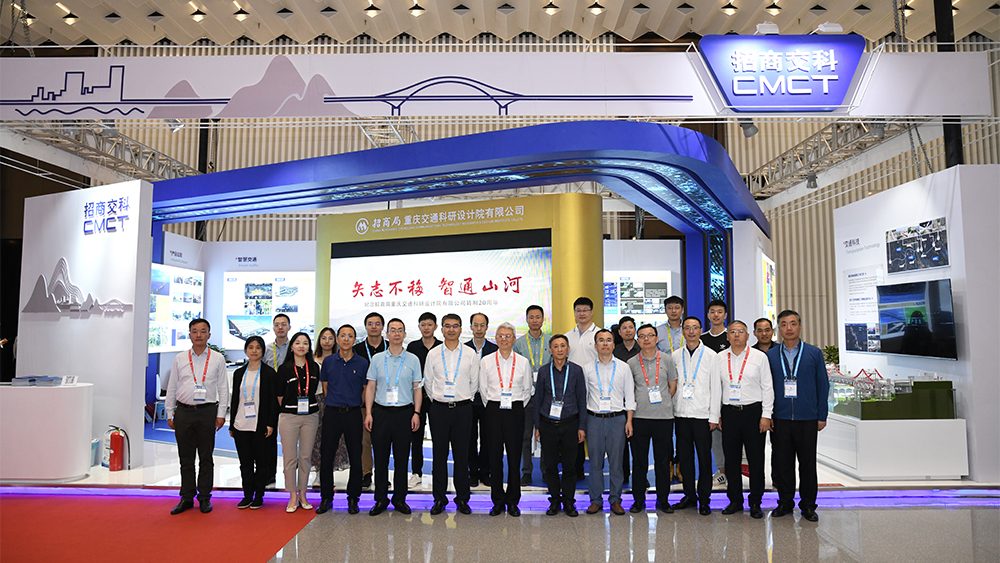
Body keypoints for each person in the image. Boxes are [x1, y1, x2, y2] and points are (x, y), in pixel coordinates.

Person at [767, 310, 829, 522]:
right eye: (784, 324)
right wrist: (768, 414)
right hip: (780, 418)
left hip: (807, 418)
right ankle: (785, 502)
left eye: (793, 323)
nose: (789, 328)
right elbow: (766, 388)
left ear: (800, 326)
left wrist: (822, 415)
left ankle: (808, 505)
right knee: (783, 464)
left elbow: (823, 385)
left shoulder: (813, 353)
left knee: (807, 464)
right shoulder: (771, 355)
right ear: (779, 328)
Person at [166, 319, 229, 515]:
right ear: (190, 335)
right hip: (183, 411)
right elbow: (172, 386)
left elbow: (223, 388)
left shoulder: (217, 358)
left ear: (209, 335)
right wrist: (169, 411)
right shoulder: (180, 358)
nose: (199, 335)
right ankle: (186, 497)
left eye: (203, 331)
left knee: (205, 457)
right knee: (185, 458)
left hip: (207, 412)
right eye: (195, 331)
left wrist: (221, 414)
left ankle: (204, 497)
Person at [364, 318, 423, 516]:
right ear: (387, 334)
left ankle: (399, 499)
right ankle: (380, 499)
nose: (396, 334)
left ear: (405, 334)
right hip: (381, 413)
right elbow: (371, 387)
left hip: (404, 413)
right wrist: (369, 413)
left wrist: (416, 413)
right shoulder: (377, 359)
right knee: (380, 459)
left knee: (401, 459)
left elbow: (417, 388)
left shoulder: (413, 359)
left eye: (400, 330)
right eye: (393, 330)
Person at [716, 320, 773, 519]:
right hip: (729, 413)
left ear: (748, 336)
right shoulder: (719, 358)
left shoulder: (759, 357)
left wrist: (766, 415)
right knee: (731, 459)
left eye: (741, 332)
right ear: (727, 336)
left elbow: (768, 387)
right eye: (732, 332)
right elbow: (716, 389)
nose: (737, 335)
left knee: (756, 459)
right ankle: (735, 500)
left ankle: (756, 501)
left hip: (753, 412)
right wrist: (718, 414)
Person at [424, 313, 479, 515]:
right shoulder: (433, 354)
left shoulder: (470, 354)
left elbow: (474, 384)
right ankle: (439, 499)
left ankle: (462, 498)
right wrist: (440, 400)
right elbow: (428, 383)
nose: (451, 329)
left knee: (461, 456)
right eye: (447, 326)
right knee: (439, 455)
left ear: (461, 329)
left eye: (455, 326)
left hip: (463, 409)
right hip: (439, 410)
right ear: (442, 329)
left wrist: (461, 399)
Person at [479, 322, 533, 517]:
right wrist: (495, 405)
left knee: (514, 456)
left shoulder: (522, 362)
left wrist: (514, 405)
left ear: (514, 339)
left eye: (508, 336)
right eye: (500, 336)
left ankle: (512, 501)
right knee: (494, 456)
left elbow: (527, 390)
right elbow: (483, 390)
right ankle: (497, 501)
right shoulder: (486, 361)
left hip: (515, 410)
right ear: (495, 338)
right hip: (493, 409)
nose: (504, 339)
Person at [316, 324, 369, 515]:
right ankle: (326, 497)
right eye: (343, 335)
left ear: (355, 339)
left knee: (356, 456)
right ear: (337, 339)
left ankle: (353, 498)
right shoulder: (329, 361)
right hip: (332, 413)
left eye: (350, 336)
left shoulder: (362, 363)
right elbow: (325, 387)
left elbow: (365, 389)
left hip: (353, 413)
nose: (346, 339)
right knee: (326, 456)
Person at [670, 316, 720, 516]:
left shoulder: (711, 356)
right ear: (683, 331)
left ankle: (705, 498)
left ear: (701, 330)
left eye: (695, 328)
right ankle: (689, 495)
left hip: (702, 415)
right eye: (687, 328)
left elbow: (716, 388)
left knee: (704, 458)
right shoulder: (675, 356)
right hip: (681, 414)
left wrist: (714, 416)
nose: (691, 331)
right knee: (685, 458)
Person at [627, 324, 678, 514]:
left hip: (663, 418)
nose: (646, 339)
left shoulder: (667, 359)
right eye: (642, 336)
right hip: (639, 418)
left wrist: (661, 402)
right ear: (637, 340)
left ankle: (663, 500)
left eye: (650, 335)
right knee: (639, 462)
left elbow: (672, 386)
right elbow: (629, 391)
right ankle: (638, 500)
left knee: (663, 461)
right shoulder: (631, 363)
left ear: (657, 339)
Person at [583, 329, 635, 515]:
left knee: (616, 463)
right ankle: (595, 500)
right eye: (601, 340)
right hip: (594, 419)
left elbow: (630, 396)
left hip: (617, 419)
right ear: (595, 345)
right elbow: (584, 398)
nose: (605, 343)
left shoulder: (624, 367)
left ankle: (615, 499)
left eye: (608, 340)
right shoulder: (587, 368)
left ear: (614, 344)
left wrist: (629, 421)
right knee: (595, 463)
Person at [533, 334, 587, 517]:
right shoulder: (543, 371)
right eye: (556, 346)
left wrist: (582, 426)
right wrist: (537, 426)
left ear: (568, 349)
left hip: (570, 423)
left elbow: (582, 399)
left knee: (570, 466)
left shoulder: (577, 371)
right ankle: (555, 499)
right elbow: (538, 399)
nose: (560, 349)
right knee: (550, 466)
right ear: (550, 350)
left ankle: (569, 501)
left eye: (563, 346)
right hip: (548, 424)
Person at [229, 336, 279, 510]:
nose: (254, 350)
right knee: (245, 463)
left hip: (260, 425)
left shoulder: (269, 373)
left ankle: (259, 496)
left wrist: (271, 423)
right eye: (251, 347)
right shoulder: (238, 373)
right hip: (240, 424)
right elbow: (235, 400)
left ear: (263, 351)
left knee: (262, 463)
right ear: (246, 350)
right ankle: (247, 495)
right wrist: (231, 424)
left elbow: (273, 402)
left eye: (258, 347)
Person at [276, 332, 321, 513]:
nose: (301, 346)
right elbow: (280, 396)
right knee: (290, 458)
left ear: (309, 347)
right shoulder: (284, 368)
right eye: (297, 343)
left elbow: (316, 391)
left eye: (305, 343)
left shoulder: (315, 367)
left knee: (305, 457)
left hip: (311, 416)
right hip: (289, 416)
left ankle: (303, 493)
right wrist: (292, 407)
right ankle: (292, 495)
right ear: (292, 347)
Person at [512, 305, 550, 487]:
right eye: (531, 317)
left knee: (547, 436)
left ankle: (546, 471)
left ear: (543, 319)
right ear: (526, 320)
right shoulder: (519, 344)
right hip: (526, 396)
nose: (535, 320)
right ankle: (526, 471)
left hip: (547, 397)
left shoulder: (551, 341)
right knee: (525, 435)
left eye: (538, 317)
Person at [405, 312, 441, 490]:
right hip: (417, 398)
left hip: (437, 399)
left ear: (435, 327)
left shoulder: (441, 347)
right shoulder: (412, 347)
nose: (426, 328)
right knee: (416, 436)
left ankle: (438, 472)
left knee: (439, 437)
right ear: (419, 327)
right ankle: (416, 472)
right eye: (423, 324)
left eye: (430, 324)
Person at [565, 296, 598, 478]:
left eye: (585, 310)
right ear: (574, 313)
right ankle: (576, 470)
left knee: (592, 432)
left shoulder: (599, 335)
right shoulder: (568, 336)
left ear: (592, 312)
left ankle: (596, 469)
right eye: (579, 310)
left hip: (595, 390)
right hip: (572, 391)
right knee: (575, 431)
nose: (582, 313)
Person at [354, 312, 387, 489]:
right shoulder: (357, 349)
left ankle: (382, 474)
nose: (374, 327)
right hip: (363, 401)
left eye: (377, 323)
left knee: (382, 441)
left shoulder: (390, 347)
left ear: (383, 326)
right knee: (364, 441)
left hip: (385, 402)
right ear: (365, 326)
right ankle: (366, 473)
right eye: (370, 323)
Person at [466, 312, 498, 487]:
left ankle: (485, 471)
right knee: (469, 437)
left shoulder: (494, 349)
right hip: (469, 399)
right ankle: (472, 471)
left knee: (488, 437)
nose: (479, 329)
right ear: (471, 327)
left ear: (487, 327)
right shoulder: (464, 349)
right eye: (475, 325)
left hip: (488, 399)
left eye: (482, 325)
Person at [701, 300, 730, 488]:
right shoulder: (702, 339)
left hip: (729, 394)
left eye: (720, 312)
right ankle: (722, 471)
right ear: (708, 315)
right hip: (707, 395)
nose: (716, 315)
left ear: (725, 315)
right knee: (715, 438)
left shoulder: (731, 336)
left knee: (732, 437)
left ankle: (733, 469)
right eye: (713, 312)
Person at [262, 314, 292, 488]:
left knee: (292, 439)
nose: (280, 327)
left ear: (289, 327)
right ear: (273, 328)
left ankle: (292, 476)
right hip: (270, 397)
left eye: (283, 324)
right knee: (269, 436)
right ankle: (269, 475)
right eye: (277, 324)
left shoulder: (295, 347)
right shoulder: (266, 349)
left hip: (290, 396)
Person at [613, 315, 639, 485]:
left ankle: (639, 477)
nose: (628, 330)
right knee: (621, 444)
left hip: (639, 402)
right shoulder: (615, 351)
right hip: (619, 403)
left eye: (631, 327)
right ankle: (623, 475)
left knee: (638, 445)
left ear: (635, 330)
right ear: (620, 332)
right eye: (624, 328)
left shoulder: (642, 348)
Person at [310, 327, 338, 476]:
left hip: (334, 401)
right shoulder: (312, 359)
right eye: (324, 338)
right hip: (315, 400)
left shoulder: (339, 359)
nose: (327, 341)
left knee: (332, 438)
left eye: (330, 338)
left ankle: (329, 471)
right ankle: (318, 470)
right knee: (316, 437)